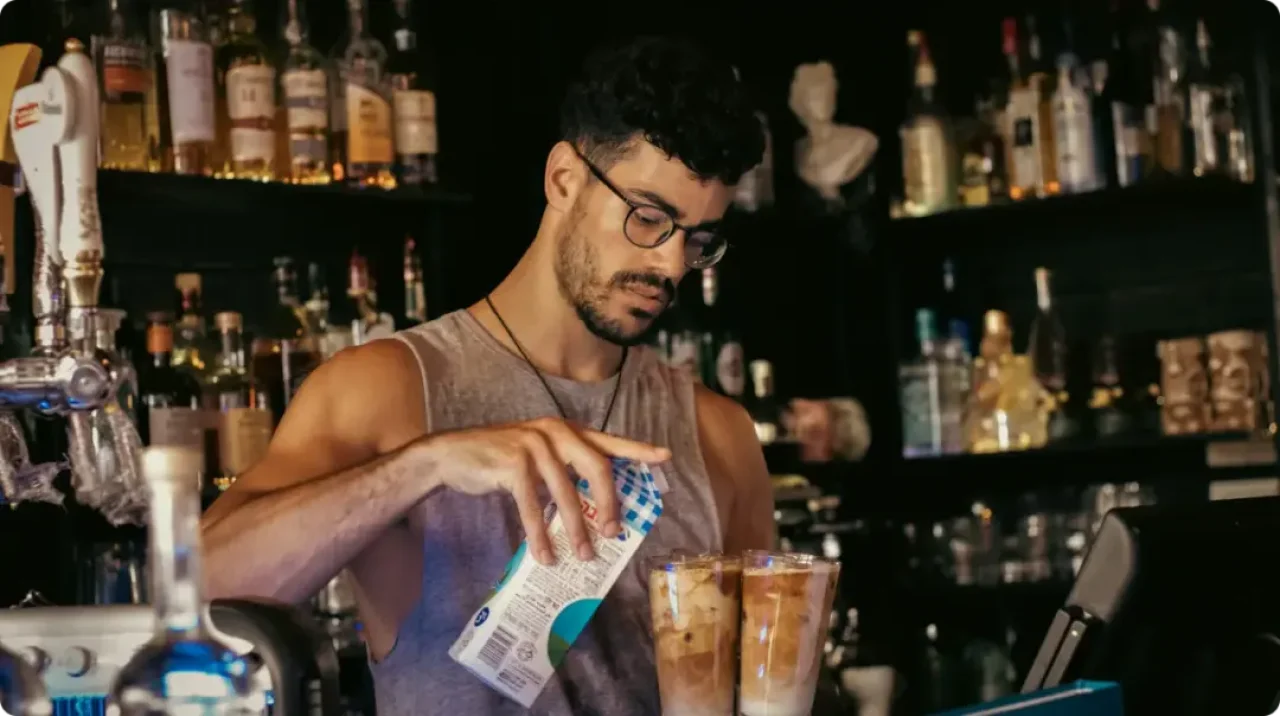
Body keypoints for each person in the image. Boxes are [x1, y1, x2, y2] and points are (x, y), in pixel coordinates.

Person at [201, 35, 773, 715]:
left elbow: (760, 683)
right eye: (649, 218)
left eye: (700, 239)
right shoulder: (386, 390)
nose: (673, 265)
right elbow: (200, 590)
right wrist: (426, 465)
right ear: (564, 179)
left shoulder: (718, 433)